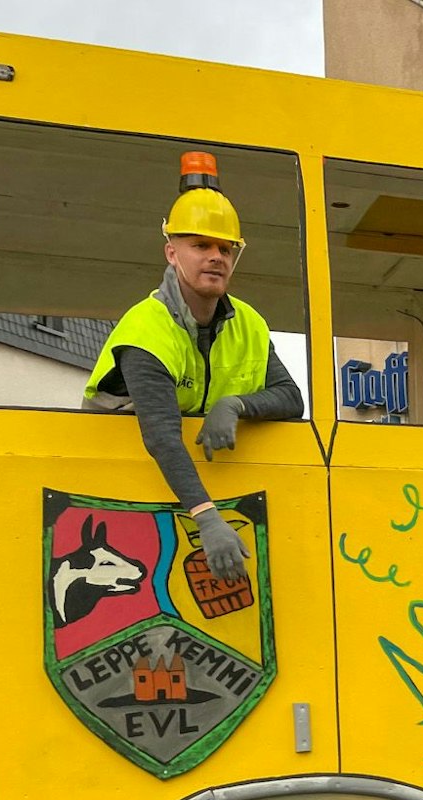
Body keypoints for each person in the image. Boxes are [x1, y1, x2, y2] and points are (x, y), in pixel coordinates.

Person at [84, 152, 305, 581]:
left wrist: (236, 404)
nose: (216, 257)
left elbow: (291, 398)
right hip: (114, 490)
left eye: (225, 248)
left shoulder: (249, 324)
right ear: (171, 252)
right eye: (200, 246)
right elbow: (162, 435)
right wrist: (207, 518)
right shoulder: (145, 329)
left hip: (185, 487)